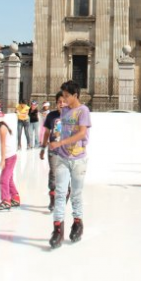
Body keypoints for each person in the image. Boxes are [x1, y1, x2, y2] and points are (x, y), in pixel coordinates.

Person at [48, 80, 91, 249]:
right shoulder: (64, 110)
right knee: (60, 193)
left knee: (76, 194)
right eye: (63, 96)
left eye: (66, 96)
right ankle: (57, 229)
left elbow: (82, 133)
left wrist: (60, 142)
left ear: (75, 95)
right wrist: (55, 140)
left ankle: (77, 223)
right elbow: (58, 128)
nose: (64, 99)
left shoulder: (83, 111)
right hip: (62, 158)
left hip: (78, 159)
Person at [0, 105, 19, 211]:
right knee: (9, 179)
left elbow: (3, 145)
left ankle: (6, 200)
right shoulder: (1, 127)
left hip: (9, 157)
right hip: (10, 156)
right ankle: (15, 198)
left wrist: (2, 160)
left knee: (3, 180)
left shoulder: (2, 128)